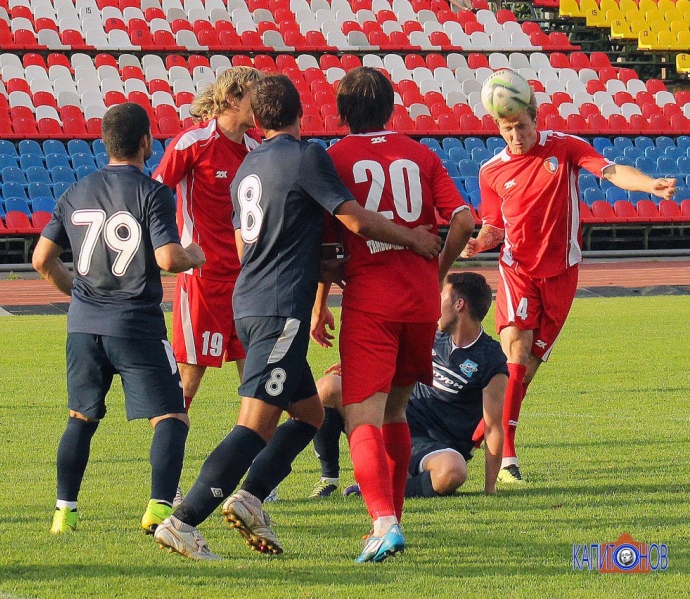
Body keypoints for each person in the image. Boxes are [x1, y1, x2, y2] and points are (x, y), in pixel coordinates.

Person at [154, 75, 443, 561]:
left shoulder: (246, 166)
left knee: (310, 414)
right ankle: (182, 522)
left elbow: (248, 246)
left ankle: (250, 499)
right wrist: (413, 238)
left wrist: (317, 266)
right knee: (254, 426)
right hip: (279, 310)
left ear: (258, 119)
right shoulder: (307, 156)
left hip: (250, 302)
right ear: (300, 114)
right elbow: (355, 219)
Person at [461, 94, 677, 483]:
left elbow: (611, 171)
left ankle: (469, 441)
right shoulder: (491, 170)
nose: (516, 136)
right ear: (499, 129)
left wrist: (650, 185)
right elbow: (493, 225)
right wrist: (479, 242)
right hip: (518, 270)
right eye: (508, 129)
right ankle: (507, 459)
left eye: (522, 127)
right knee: (515, 355)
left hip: (562, 274)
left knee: (524, 374)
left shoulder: (564, 147)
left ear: (535, 120)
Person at [312, 67, 475, 562]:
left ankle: (383, 522)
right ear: (390, 108)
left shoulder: (335, 158)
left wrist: (320, 303)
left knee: (361, 414)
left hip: (372, 301)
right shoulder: (421, 154)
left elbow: (327, 244)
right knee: (396, 413)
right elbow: (464, 220)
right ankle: (392, 519)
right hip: (420, 302)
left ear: (342, 112)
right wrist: (435, 272)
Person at [32, 103, 206, 536]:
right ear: (146, 142)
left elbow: (41, 259)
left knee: (80, 418)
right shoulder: (152, 192)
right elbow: (168, 258)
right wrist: (194, 256)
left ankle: (64, 513)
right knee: (171, 417)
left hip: (83, 326)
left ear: (105, 142)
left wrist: (79, 294)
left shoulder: (75, 191)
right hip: (135, 324)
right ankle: (159, 509)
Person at [311, 273, 508, 500]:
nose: (437, 304)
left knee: (453, 471)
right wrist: (361, 368)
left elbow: (493, 427)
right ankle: (329, 478)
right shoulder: (432, 334)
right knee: (328, 387)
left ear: (459, 305)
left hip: (438, 447)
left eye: (442, 298)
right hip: (396, 421)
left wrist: (490, 489)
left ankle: (380, 485)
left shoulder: (491, 359)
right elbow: (394, 360)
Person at [152, 66, 262, 411]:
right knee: (190, 374)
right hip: (203, 278)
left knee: (256, 375)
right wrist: (171, 244)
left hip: (247, 279)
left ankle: (254, 444)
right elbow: (154, 194)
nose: (262, 104)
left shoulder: (257, 148)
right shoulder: (193, 143)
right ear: (232, 98)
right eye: (255, 96)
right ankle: (169, 438)